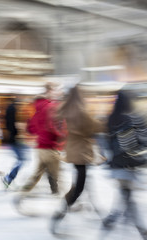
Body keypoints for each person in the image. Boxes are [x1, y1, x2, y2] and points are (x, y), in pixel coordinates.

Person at [101, 90, 147, 240]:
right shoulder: (134, 119)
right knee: (128, 199)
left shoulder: (111, 119)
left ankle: (110, 220)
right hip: (130, 165)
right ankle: (143, 232)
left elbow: (107, 143)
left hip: (117, 165)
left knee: (125, 196)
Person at [50, 86, 103, 232]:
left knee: (81, 183)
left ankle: (93, 209)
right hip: (80, 153)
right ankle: (60, 213)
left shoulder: (69, 109)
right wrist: (103, 122)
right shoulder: (80, 111)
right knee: (79, 187)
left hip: (74, 151)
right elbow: (93, 127)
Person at [14, 83, 66, 209]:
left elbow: (31, 128)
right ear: (50, 91)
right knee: (58, 175)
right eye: (55, 90)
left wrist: (40, 133)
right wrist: (62, 135)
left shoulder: (37, 108)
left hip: (40, 148)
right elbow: (54, 126)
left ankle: (22, 195)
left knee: (37, 175)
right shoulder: (51, 107)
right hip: (50, 147)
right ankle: (68, 201)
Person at [2, 97, 27, 187]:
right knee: (22, 160)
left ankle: (9, 178)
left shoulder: (10, 111)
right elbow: (14, 127)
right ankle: (9, 177)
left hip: (14, 139)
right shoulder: (14, 112)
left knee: (22, 160)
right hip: (16, 140)